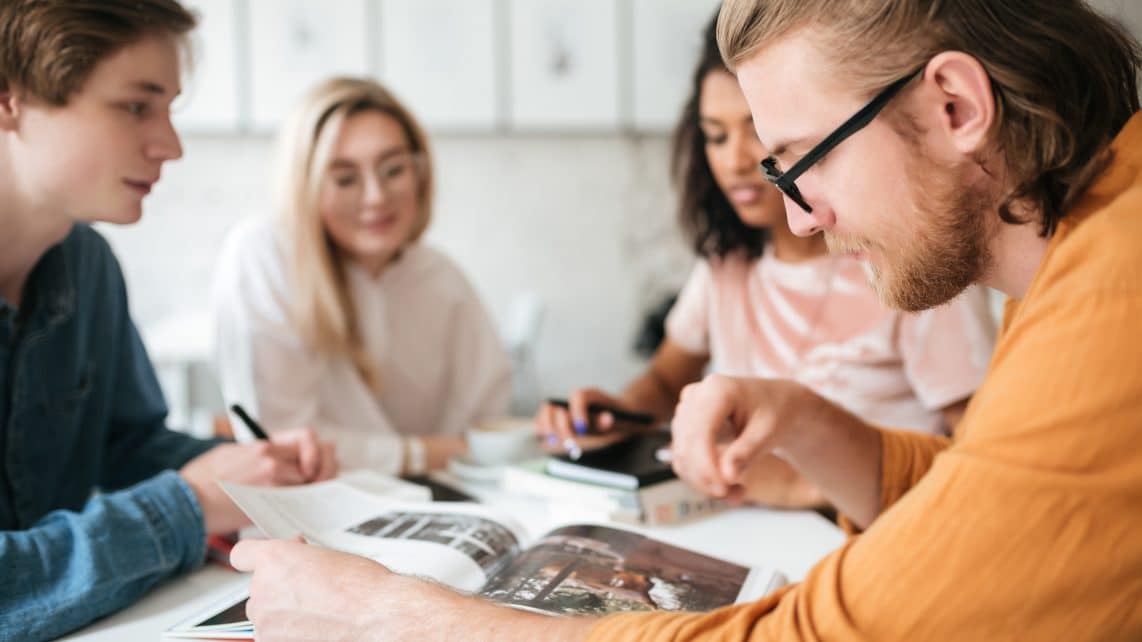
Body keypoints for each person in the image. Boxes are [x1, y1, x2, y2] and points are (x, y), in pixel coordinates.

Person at [232, 0, 1142, 639]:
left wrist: (399, 620)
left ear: (954, 107)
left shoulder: (1115, 298)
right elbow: (1004, 526)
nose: (798, 218)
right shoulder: (1091, 239)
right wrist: (821, 430)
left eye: (800, 160)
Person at [535, 15, 995, 509]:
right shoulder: (726, 267)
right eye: (715, 136)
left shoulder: (911, 264)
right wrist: (617, 417)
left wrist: (804, 484)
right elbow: (669, 380)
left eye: (757, 133)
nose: (735, 160)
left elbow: (980, 466)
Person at [0, 2, 337, 640]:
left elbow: (129, 446)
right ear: (10, 98)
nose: (171, 146)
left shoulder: (87, 265)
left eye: (169, 109)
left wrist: (248, 464)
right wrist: (183, 507)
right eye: (136, 106)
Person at [212, 77, 512, 476]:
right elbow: (281, 439)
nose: (375, 197)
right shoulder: (263, 255)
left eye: (393, 170)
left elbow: (485, 424)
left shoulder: (441, 277)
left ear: (419, 170)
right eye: (345, 178)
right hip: (309, 511)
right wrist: (419, 454)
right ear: (307, 185)